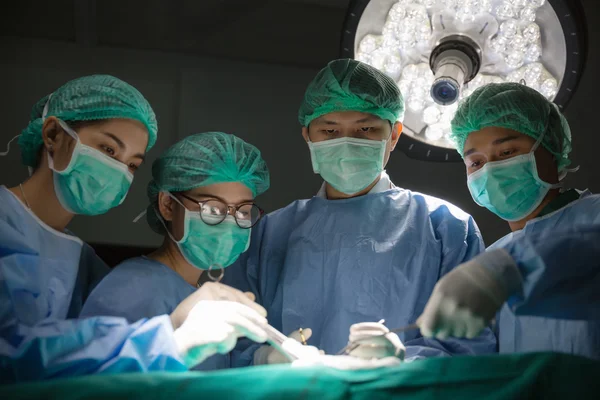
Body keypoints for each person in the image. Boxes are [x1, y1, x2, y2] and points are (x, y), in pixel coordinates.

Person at [222, 59, 497, 366]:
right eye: (329, 130)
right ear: (308, 138)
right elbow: (232, 338)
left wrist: (400, 361)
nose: (347, 142)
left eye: (366, 129)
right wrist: (264, 357)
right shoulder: (268, 235)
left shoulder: (446, 227)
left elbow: (469, 347)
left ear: (393, 136)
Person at [0, 76, 269, 382]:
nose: (117, 171)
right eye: (109, 150)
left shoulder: (79, 259)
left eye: (132, 165)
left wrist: (262, 356)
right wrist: (167, 338)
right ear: (52, 134)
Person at [418, 82, 600, 360]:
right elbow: (473, 356)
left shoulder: (594, 217)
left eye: (506, 153)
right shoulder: (489, 262)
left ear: (551, 147)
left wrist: (512, 267)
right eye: (476, 163)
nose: (491, 170)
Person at [81, 132, 272, 370]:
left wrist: (266, 358)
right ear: (168, 205)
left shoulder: (195, 289)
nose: (230, 223)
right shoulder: (132, 287)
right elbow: (102, 383)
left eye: (242, 212)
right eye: (213, 209)